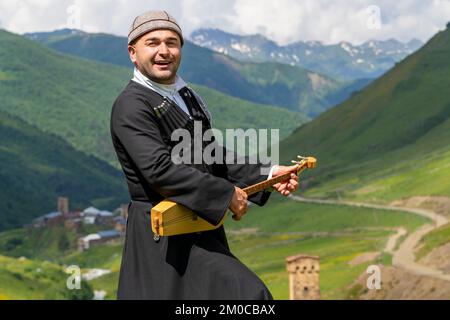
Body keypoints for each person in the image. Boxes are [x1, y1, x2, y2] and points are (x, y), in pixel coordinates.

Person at [110, 10, 299, 300]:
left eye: (172, 43)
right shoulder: (131, 106)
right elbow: (159, 170)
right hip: (163, 233)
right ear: (133, 53)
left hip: (196, 222)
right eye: (153, 42)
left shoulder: (185, 97)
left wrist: (269, 173)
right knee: (250, 296)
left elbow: (210, 153)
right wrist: (225, 195)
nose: (164, 51)